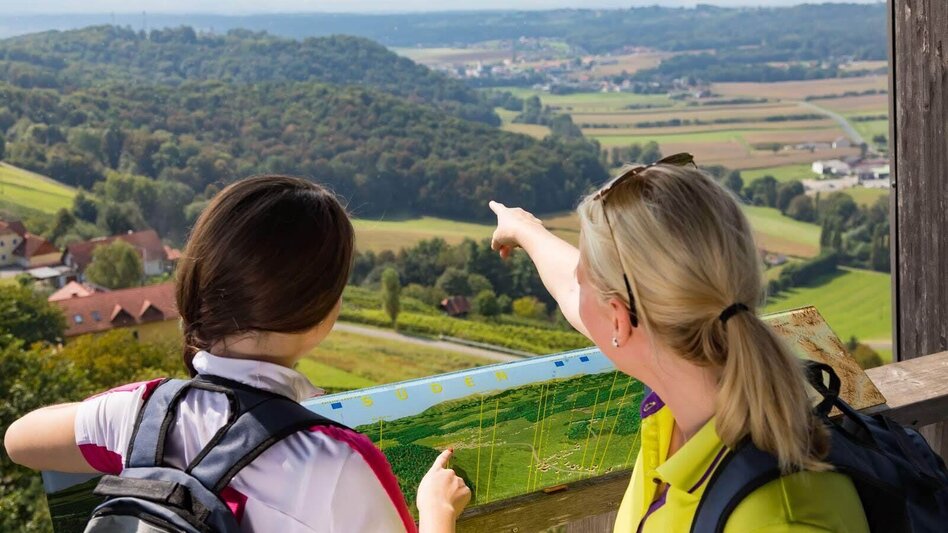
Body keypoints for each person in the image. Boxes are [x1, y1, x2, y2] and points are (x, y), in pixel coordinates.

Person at [4, 176, 470, 533]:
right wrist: (436, 510)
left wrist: (130, 408)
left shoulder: (140, 414)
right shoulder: (337, 463)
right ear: (324, 310)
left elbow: (18, 440)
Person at [488, 155, 869, 532]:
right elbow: (579, 294)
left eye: (582, 278)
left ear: (619, 319)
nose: (576, 287)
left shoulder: (783, 523)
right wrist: (525, 229)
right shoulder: (683, 390)